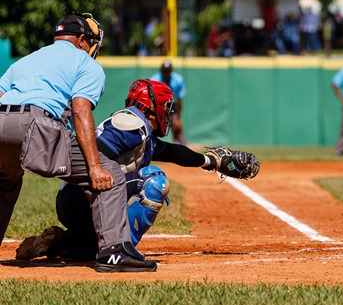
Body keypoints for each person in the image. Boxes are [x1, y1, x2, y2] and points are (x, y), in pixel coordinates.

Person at [15, 79, 260, 262]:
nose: (169, 112)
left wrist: (211, 161)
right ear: (152, 108)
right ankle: (120, 251)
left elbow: (173, 152)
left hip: (77, 198)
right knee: (154, 180)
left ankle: (64, 243)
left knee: (86, 252)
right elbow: (95, 153)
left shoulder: (138, 129)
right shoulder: (130, 125)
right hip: (81, 196)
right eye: (166, 107)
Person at [0, 12, 156, 272]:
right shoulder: (86, 63)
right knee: (111, 174)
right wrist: (95, 167)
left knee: (5, 182)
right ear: (82, 39)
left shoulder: (27, 60)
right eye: (91, 41)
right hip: (36, 125)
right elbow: (81, 110)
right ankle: (114, 252)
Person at [150, 60, 187, 145]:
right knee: (152, 126)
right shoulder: (155, 80)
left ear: (171, 71)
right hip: (157, 106)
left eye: (168, 71)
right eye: (164, 71)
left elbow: (180, 100)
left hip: (171, 106)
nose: (166, 73)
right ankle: (150, 145)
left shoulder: (178, 80)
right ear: (161, 71)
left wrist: (178, 119)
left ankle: (182, 149)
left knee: (177, 127)